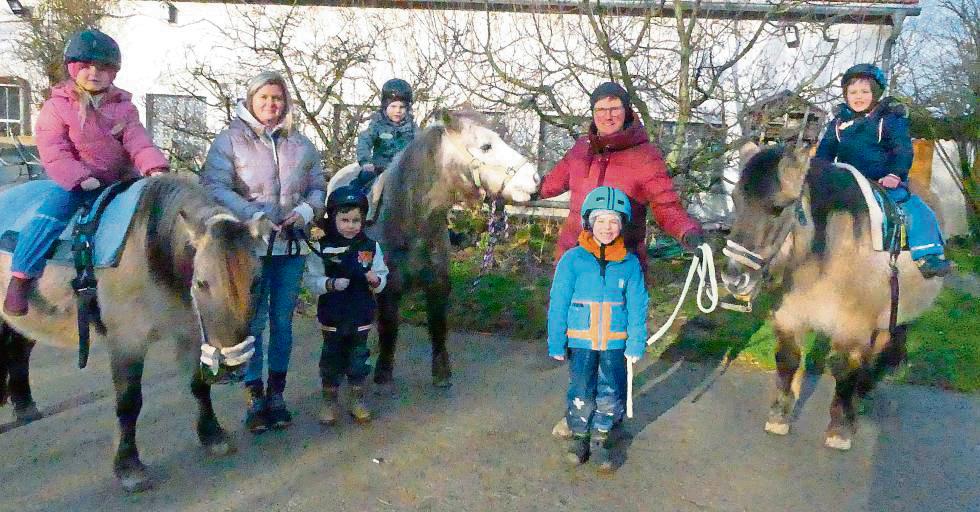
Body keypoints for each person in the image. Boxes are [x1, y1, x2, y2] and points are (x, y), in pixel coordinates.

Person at [3, 29, 169, 316]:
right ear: (73, 68)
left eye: (103, 68)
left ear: (113, 73)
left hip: (121, 181)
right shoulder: (57, 107)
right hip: (76, 182)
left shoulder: (124, 108)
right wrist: (79, 177)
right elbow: (53, 148)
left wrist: (153, 167)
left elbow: (137, 141)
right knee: (49, 217)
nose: (95, 73)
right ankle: (21, 278)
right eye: (87, 66)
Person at [201, 71, 327, 433]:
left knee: (283, 323)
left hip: (291, 247)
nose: (271, 104)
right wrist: (251, 216)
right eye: (264, 98)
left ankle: (277, 395)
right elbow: (214, 186)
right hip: (249, 248)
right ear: (250, 100)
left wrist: (306, 211)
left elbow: (318, 186)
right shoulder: (229, 142)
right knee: (253, 324)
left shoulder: (301, 144)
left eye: (277, 98)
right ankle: (254, 398)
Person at [538, 82, 704, 273]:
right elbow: (547, 185)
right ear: (592, 113)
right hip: (571, 263)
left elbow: (666, 206)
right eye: (600, 109)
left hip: (619, 269)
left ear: (626, 111)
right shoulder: (581, 149)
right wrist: (511, 188)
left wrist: (687, 231)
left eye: (614, 108)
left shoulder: (644, 156)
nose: (607, 116)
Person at [548, 186, 649, 472]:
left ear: (622, 225)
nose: (607, 227)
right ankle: (580, 436)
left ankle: (601, 439)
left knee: (611, 390)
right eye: (601, 221)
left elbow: (638, 304)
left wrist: (636, 342)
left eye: (614, 221)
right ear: (589, 223)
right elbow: (559, 301)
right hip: (581, 342)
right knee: (581, 387)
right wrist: (556, 341)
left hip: (615, 343)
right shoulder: (573, 260)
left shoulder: (629, 264)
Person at [815, 63, 950, 278]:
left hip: (881, 180)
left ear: (876, 94)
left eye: (864, 92)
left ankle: (928, 254)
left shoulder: (889, 119)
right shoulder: (838, 123)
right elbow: (824, 153)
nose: (858, 97)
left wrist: (895, 174)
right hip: (846, 178)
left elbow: (902, 149)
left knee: (915, 207)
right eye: (853, 93)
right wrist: (818, 173)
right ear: (846, 96)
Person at [304, 185, 388, 426]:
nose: (351, 225)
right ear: (333, 219)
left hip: (361, 313)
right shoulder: (322, 247)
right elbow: (312, 279)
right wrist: (329, 284)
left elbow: (382, 275)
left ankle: (357, 398)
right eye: (345, 220)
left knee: (358, 358)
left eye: (356, 220)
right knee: (331, 359)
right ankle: (329, 401)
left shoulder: (371, 247)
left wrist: (377, 281)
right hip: (332, 315)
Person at [353, 78, 417, 188]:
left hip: (405, 172)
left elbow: (422, 144)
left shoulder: (412, 128)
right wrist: (366, 161)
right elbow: (365, 140)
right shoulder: (377, 125)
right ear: (385, 106)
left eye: (402, 107)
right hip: (380, 170)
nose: (398, 111)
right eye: (393, 106)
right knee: (363, 180)